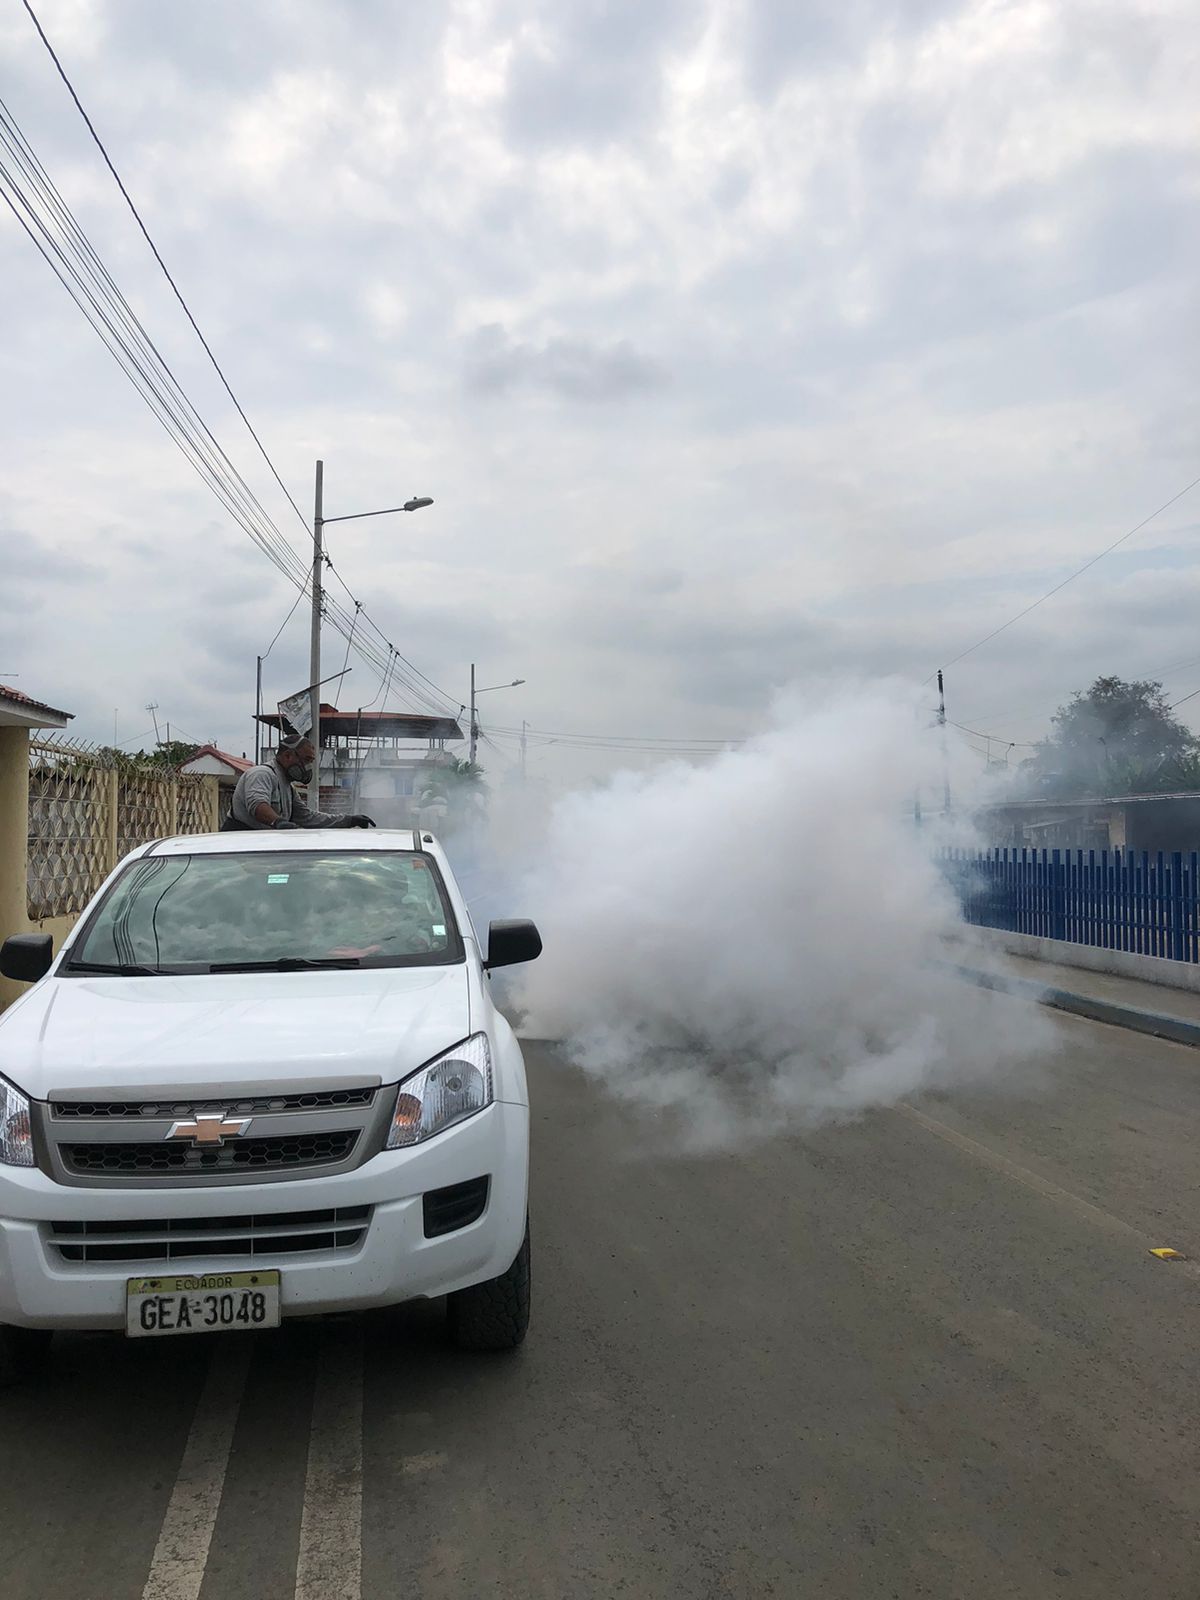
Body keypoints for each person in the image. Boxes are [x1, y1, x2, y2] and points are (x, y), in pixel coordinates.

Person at [222, 736, 376, 830]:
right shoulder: (262, 774)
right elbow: (257, 806)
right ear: (288, 756)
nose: (308, 767)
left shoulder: (288, 787)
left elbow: (307, 817)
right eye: (307, 760)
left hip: (261, 847)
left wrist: (348, 820)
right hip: (238, 846)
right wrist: (278, 821)